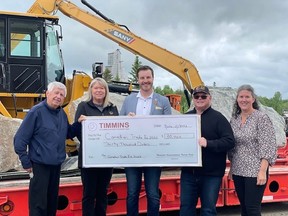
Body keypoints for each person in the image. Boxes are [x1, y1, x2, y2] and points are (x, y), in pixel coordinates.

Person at [14, 81, 78, 216]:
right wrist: (25, 161)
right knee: (38, 205)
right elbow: (20, 139)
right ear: (47, 93)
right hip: (39, 166)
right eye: (56, 93)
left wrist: (81, 123)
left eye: (62, 95)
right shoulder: (36, 112)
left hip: (55, 166)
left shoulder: (62, 114)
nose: (58, 97)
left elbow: (68, 133)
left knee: (51, 204)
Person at [120, 65, 172, 216]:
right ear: (138, 80)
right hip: (133, 155)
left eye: (148, 77)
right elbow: (120, 124)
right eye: (142, 78)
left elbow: (169, 126)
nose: (145, 81)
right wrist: (127, 120)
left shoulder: (163, 101)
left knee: (153, 194)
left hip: (154, 155)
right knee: (132, 194)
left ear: (153, 79)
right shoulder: (128, 100)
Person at [180, 85, 235, 216]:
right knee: (186, 208)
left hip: (211, 175)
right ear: (193, 98)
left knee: (208, 210)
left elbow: (230, 141)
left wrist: (208, 143)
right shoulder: (185, 119)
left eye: (203, 96)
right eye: (196, 96)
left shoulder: (218, 118)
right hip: (189, 174)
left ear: (210, 98)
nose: (200, 98)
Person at [228, 84, 277, 216]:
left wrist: (262, 171)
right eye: (241, 97)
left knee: (252, 208)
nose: (244, 100)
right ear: (237, 99)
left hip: (255, 170)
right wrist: (232, 169)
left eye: (247, 97)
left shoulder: (261, 118)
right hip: (239, 169)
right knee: (244, 208)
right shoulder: (234, 119)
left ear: (253, 99)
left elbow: (268, 145)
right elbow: (233, 146)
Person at [74, 77, 119, 216]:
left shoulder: (113, 108)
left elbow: (117, 131)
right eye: (96, 88)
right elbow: (77, 131)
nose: (99, 91)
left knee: (102, 194)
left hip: (106, 160)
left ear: (106, 91)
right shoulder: (83, 106)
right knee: (89, 195)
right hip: (89, 159)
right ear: (91, 90)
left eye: (102, 88)